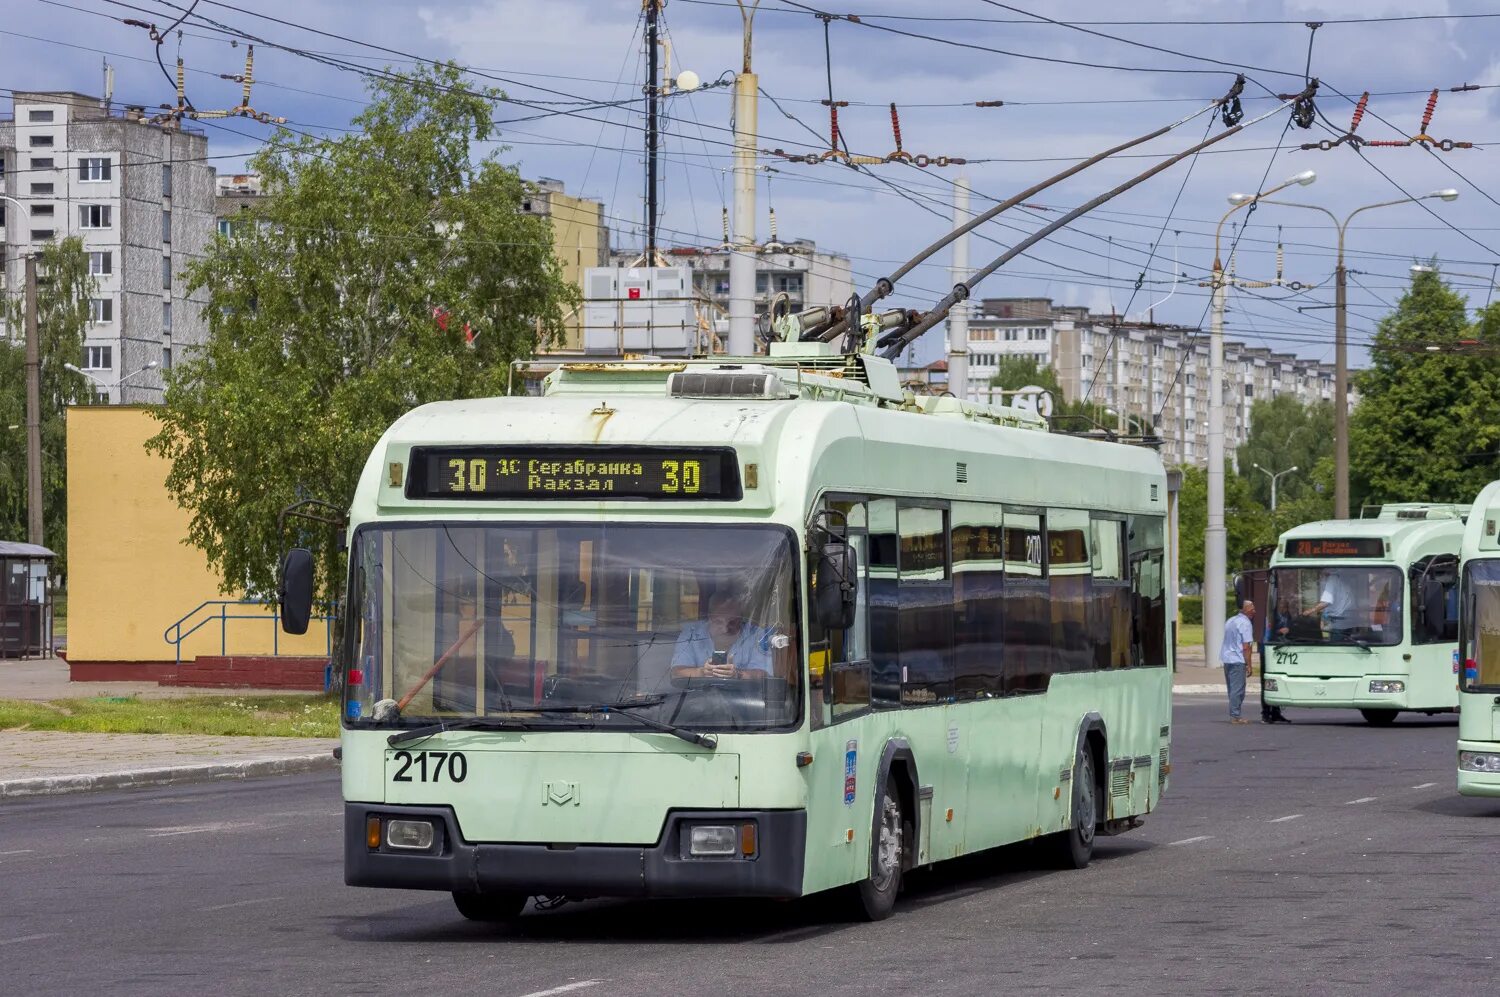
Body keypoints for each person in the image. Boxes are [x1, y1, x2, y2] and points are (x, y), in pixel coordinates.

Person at [670, 590, 772, 681]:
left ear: (741, 619)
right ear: (709, 617)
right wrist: (702, 672)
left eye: (732, 622)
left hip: (744, 699)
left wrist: (738, 674)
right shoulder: (691, 634)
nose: (725, 629)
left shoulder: (756, 635)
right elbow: (676, 673)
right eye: (718, 622)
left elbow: (764, 674)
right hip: (699, 698)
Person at [1221, 599, 1256, 724]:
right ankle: (1235, 716)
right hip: (1237, 659)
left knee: (1232, 689)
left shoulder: (1231, 620)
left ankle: (1234, 713)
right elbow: (1246, 646)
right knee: (1238, 690)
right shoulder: (1245, 623)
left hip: (1227, 658)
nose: (1254, 611)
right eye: (1252, 609)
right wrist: (1249, 665)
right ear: (1245, 609)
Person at [1304, 568, 1355, 637]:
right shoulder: (1340, 580)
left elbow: (1326, 602)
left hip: (1339, 621)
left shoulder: (1332, 579)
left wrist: (1309, 611)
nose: (1321, 575)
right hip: (1348, 619)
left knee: (1336, 646)